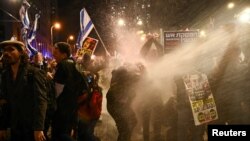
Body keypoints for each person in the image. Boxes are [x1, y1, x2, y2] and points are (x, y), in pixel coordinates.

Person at [0, 40, 47, 141]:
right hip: (14, 127)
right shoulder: (5, 75)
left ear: (21, 52)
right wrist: (2, 126)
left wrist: (38, 128)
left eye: (11, 50)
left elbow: (41, 101)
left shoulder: (34, 73)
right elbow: (4, 101)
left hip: (31, 128)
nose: (6, 53)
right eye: (4, 50)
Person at [51, 42, 86, 141]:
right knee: (68, 131)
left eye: (56, 53)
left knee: (59, 134)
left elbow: (57, 91)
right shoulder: (75, 64)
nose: (53, 55)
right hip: (73, 106)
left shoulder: (62, 65)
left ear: (64, 54)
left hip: (62, 108)